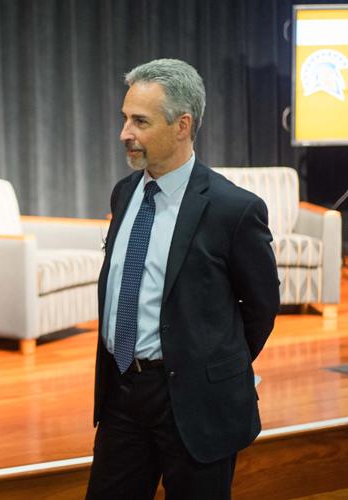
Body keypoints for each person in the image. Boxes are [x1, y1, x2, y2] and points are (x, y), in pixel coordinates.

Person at [87, 59, 280, 499]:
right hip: (122, 393)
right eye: (124, 119)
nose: (124, 134)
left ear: (182, 125)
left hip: (196, 405)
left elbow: (262, 307)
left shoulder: (234, 209)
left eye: (140, 121)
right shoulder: (124, 192)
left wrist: (212, 366)